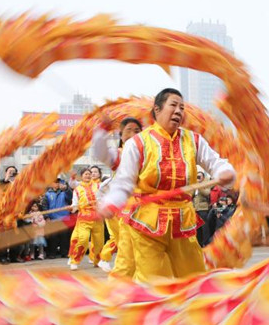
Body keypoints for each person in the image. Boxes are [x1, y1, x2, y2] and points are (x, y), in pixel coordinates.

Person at [99, 88, 235, 282]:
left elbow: (215, 162)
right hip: (147, 222)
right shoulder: (138, 143)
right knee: (154, 282)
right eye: (173, 105)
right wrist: (112, 201)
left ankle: (191, 309)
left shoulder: (193, 140)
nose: (179, 111)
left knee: (194, 279)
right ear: (157, 109)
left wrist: (224, 172)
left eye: (182, 107)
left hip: (183, 220)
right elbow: (123, 183)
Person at [91, 116, 143, 277]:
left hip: (148, 210)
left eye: (137, 131)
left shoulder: (149, 152)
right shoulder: (120, 154)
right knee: (124, 246)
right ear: (120, 135)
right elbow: (101, 153)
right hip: (123, 209)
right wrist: (101, 132)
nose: (133, 134)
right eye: (128, 130)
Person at [68, 168, 104, 270]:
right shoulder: (77, 189)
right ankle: (75, 261)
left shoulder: (98, 186)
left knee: (99, 243)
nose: (88, 176)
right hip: (84, 219)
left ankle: (97, 261)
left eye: (90, 174)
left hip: (98, 218)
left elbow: (103, 198)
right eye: (86, 174)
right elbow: (75, 205)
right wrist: (73, 207)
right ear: (82, 176)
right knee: (83, 239)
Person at [44, 176, 73, 259]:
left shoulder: (65, 192)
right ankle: (52, 253)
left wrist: (66, 189)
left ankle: (65, 252)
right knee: (53, 237)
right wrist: (46, 217)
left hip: (64, 218)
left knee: (65, 237)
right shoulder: (47, 194)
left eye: (57, 182)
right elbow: (44, 206)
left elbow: (70, 198)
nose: (56, 184)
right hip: (52, 218)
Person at [192, 171, 212, 246]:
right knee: (198, 227)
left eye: (199, 177)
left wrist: (200, 186)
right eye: (197, 176)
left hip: (203, 209)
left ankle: (206, 242)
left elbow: (207, 193)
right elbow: (192, 195)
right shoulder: (195, 185)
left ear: (203, 177)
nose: (198, 178)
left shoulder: (205, 184)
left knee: (204, 226)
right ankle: (199, 242)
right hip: (195, 209)